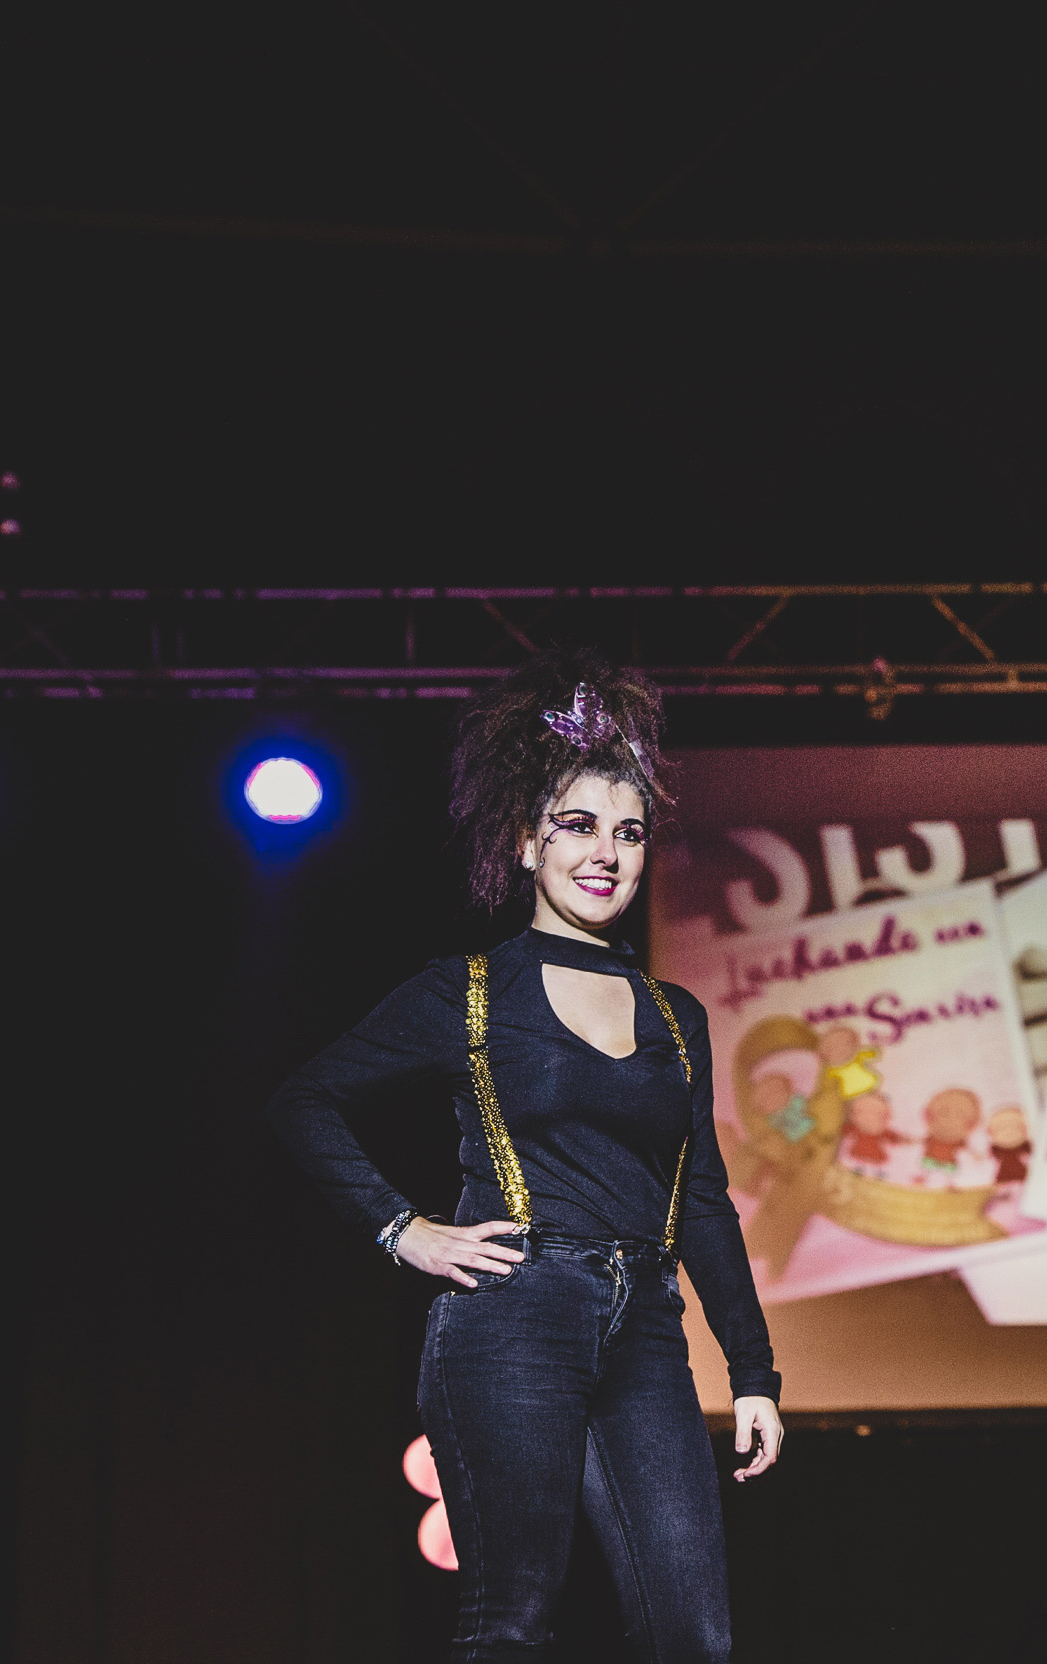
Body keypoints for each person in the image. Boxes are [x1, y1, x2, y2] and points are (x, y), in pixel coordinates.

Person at [267, 647, 782, 1664]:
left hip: (647, 1329)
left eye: (628, 831)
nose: (607, 852)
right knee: (513, 1621)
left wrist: (754, 1369)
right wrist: (404, 1228)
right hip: (515, 1315)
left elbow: (704, 1201)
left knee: (693, 1636)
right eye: (577, 825)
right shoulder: (466, 991)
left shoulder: (674, 1015)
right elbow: (304, 1100)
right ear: (523, 839)